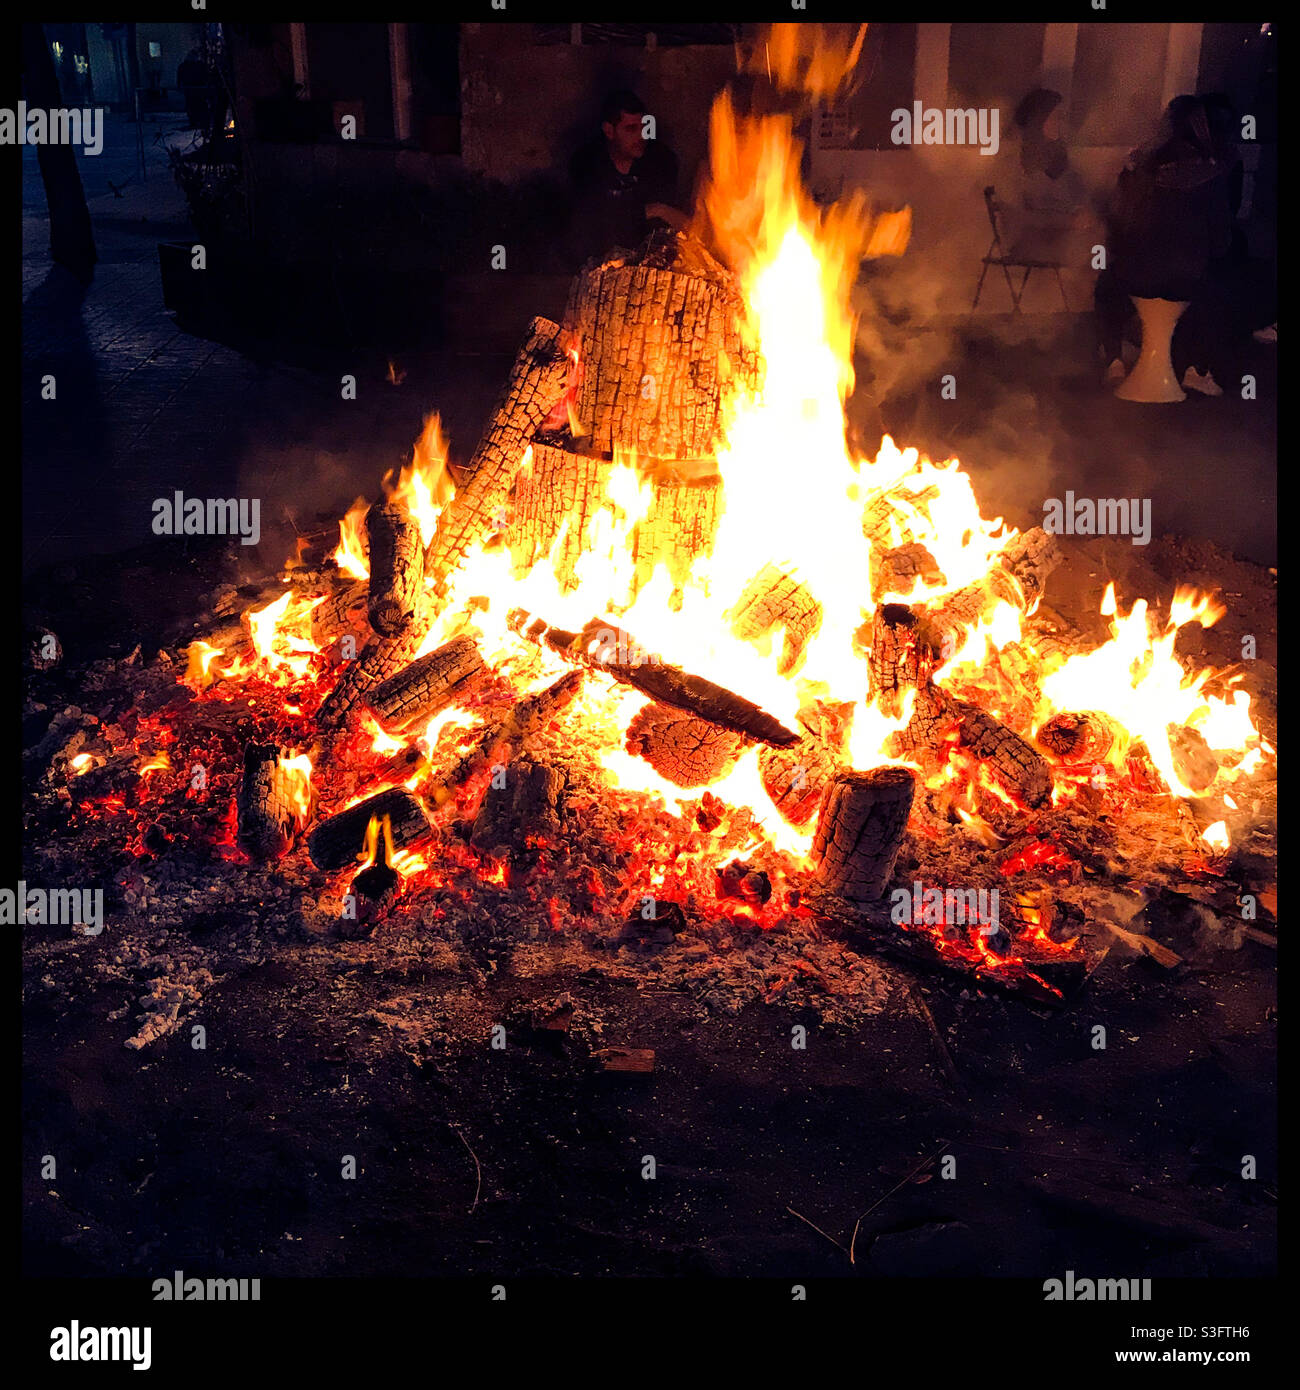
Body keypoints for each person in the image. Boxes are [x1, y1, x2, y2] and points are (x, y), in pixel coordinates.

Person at [1095, 95, 1234, 393]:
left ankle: (1114, 360)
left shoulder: (1138, 167)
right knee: (1216, 290)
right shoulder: (1209, 174)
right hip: (1184, 279)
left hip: (1136, 275)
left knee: (1107, 285)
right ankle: (1197, 369)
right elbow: (1221, 241)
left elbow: (1116, 220)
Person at [567, 89, 687, 267]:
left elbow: (678, 223)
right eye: (631, 129)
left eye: (644, 128)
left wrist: (657, 210)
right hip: (600, 265)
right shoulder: (587, 164)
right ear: (609, 131)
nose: (641, 136)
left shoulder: (660, 161)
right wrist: (641, 211)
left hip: (650, 267)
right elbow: (587, 223)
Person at [177, 48, 210, 133]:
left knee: (198, 105)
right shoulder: (186, 66)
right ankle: (195, 122)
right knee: (193, 106)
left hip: (197, 89)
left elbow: (206, 76)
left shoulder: (198, 65)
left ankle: (199, 122)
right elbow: (180, 76)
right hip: (192, 89)